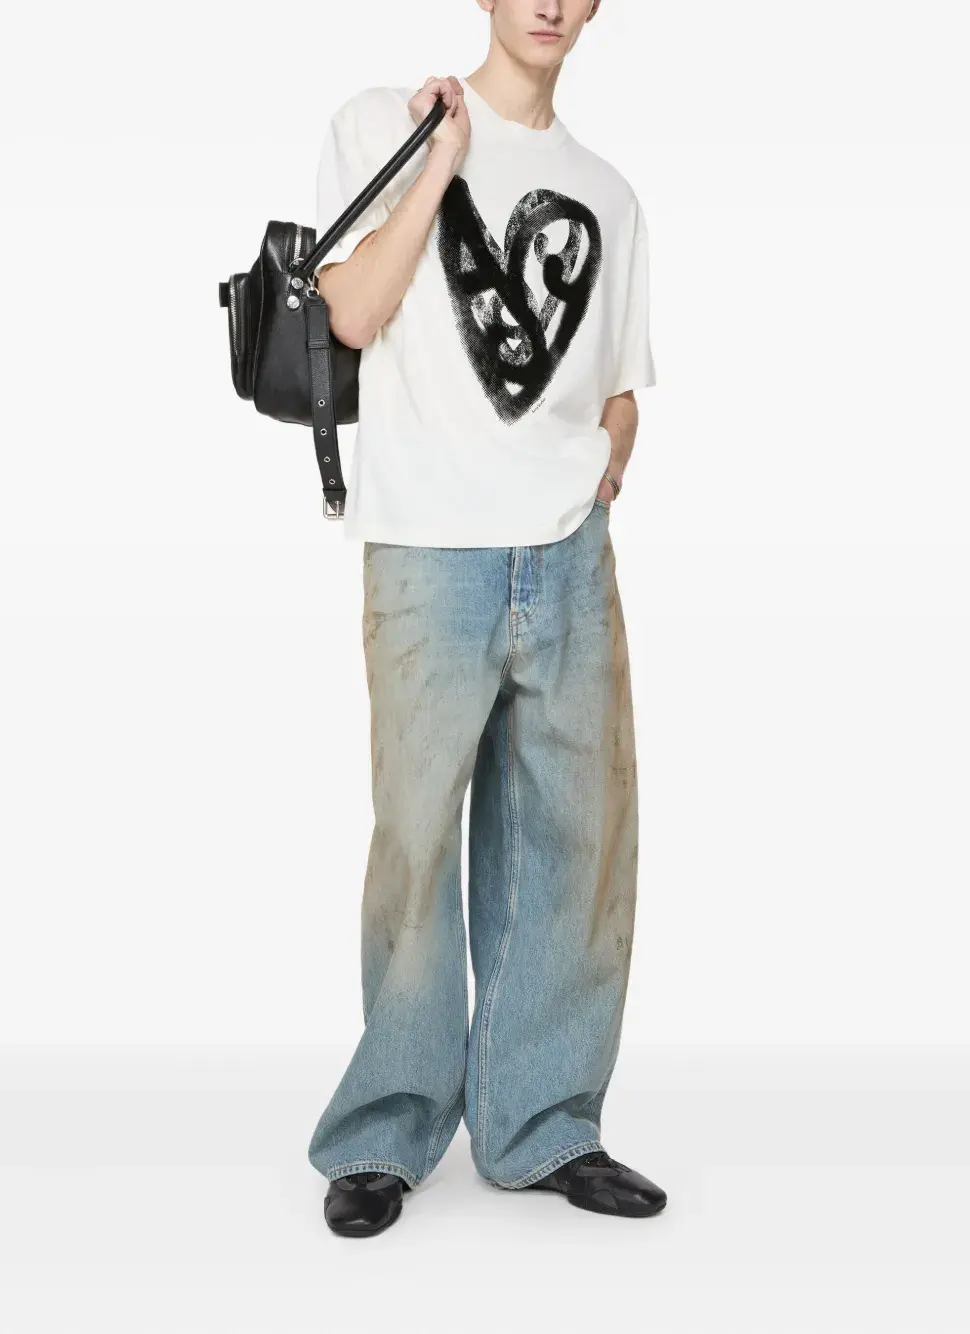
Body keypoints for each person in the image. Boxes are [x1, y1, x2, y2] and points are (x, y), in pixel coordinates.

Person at [307, 0, 665, 1238]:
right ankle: (385, 1131)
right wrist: (440, 163)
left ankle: (543, 1122)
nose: (549, 4)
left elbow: (621, 383)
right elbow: (352, 313)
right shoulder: (384, 126)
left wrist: (610, 450)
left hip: (566, 553)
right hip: (427, 547)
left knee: (572, 842)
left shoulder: (611, 195)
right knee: (415, 843)